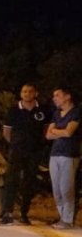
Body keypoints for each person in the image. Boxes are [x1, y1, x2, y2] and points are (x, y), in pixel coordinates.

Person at [0, 84, 50, 226]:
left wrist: (40, 145)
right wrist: (16, 144)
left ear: (36, 93)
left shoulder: (43, 110)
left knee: (29, 182)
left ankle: (24, 213)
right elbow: (7, 133)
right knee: (11, 181)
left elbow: (46, 130)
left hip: (34, 152)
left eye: (30, 91)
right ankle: (7, 213)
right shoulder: (13, 110)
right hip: (17, 151)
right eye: (24, 91)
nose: (27, 94)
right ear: (21, 94)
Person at [46, 87, 80, 229]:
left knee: (66, 188)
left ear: (67, 96)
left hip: (69, 154)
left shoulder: (76, 112)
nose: (54, 98)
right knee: (56, 190)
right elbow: (48, 136)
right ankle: (62, 218)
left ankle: (67, 219)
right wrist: (60, 131)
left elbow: (69, 132)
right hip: (55, 154)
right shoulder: (56, 114)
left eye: (57, 95)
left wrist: (55, 131)